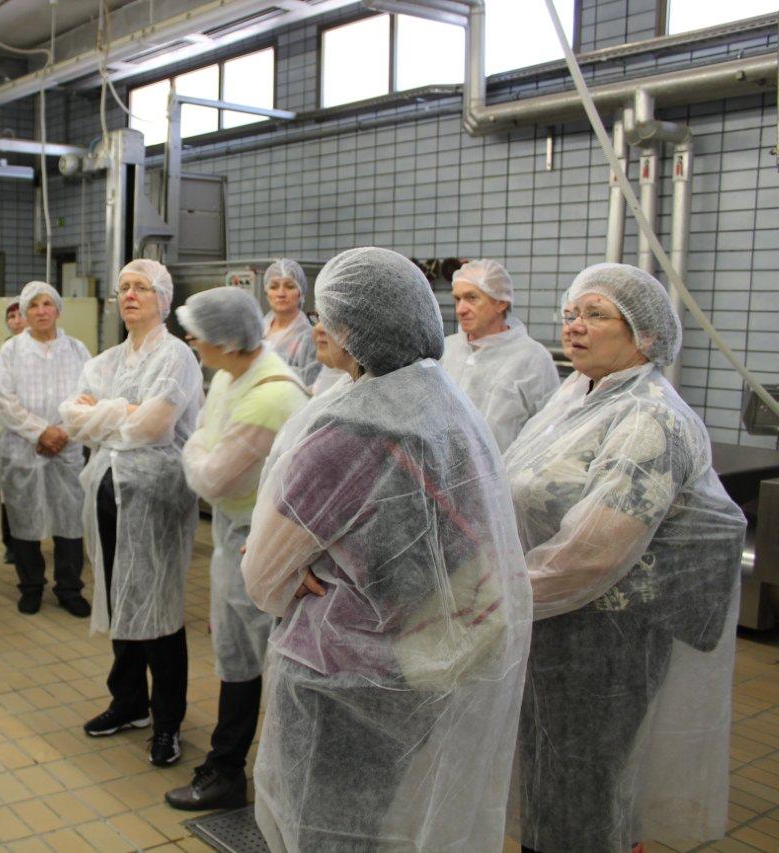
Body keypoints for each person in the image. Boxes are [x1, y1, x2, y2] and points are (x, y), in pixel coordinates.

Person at [241, 247, 533, 852]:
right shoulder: (449, 407)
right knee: (376, 823)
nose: (318, 327)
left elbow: (263, 576)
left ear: (358, 332)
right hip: (418, 669)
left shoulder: (345, 431)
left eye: (328, 316)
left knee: (321, 827)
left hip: (337, 676)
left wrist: (291, 575)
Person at [503, 263, 745, 853]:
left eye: (595, 315)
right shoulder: (577, 395)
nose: (574, 326)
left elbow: (591, 555)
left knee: (583, 792)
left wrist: (493, 595)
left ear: (646, 334)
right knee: (549, 783)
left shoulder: (648, 419)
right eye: (570, 313)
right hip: (550, 624)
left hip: (604, 643)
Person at [165, 287, 308, 811]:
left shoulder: (271, 395)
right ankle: (228, 767)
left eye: (198, 335)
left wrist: (197, 448)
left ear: (226, 341)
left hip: (262, 542)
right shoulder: (231, 376)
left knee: (263, 660)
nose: (191, 342)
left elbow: (211, 478)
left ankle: (245, 775)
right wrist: (201, 448)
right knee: (237, 655)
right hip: (234, 535)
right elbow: (204, 445)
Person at [60, 258, 202, 768]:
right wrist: (124, 412)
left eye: (141, 287)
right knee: (120, 596)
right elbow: (71, 418)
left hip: (155, 498)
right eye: (123, 288)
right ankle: (129, 702)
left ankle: (167, 722)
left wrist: (106, 415)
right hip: (107, 492)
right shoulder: (105, 362)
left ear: (163, 298)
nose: (130, 295)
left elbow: (155, 427)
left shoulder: (176, 357)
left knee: (158, 606)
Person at [0, 281, 92, 617]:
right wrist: (40, 431)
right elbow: (3, 398)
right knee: (24, 519)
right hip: (23, 447)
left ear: (58, 310)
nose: (41, 311)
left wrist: (63, 431)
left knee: (69, 519)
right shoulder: (11, 351)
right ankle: (31, 587)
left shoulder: (77, 350)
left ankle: (69, 588)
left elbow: (90, 395)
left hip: (68, 447)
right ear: (24, 313)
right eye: (33, 305)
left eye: (47, 304)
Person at [440, 259, 559, 451]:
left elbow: (548, 432)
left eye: (472, 298)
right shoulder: (446, 349)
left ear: (501, 302)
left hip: (503, 469)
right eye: (457, 299)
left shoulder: (533, 359)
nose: (461, 309)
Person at [0, 297, 26, 564]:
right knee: (10, 487)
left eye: (19, 314)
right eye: (11, 317)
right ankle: (11, 543)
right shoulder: (6, 347)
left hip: (38, 428)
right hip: (10, 427)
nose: (16, 321)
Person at [262, 259, 320, 387]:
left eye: (289, 286)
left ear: (300, 293)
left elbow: (311, 384)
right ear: (267, 293)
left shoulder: (310, 337)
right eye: (274, 287)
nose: (281, 293)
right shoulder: (258, 330)